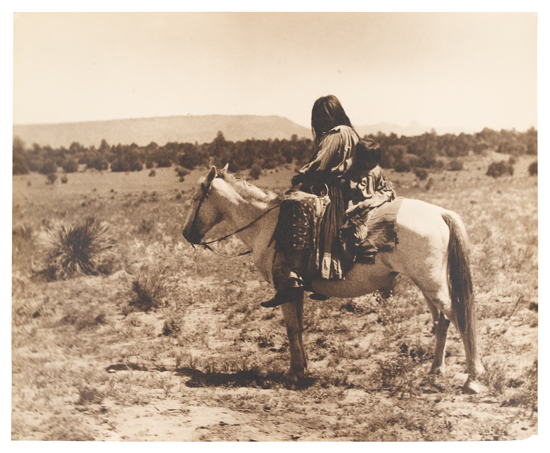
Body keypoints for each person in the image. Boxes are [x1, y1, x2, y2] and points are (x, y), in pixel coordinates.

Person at [261, 95, 360, 308]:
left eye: (326, 117)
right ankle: (317, 274)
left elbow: (319, 164)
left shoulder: (336, 134)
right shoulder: (351, 132)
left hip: (332, 192)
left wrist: (300, 177)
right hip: (343, 190)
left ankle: (292, 273)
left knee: (291, 202)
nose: (323, 122)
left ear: (335, 115)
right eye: (319, 118)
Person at [339, 139, 396, 255]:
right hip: (375, 192)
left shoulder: (369, 172)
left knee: (360, 212)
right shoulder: (366, 169)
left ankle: (356, 243)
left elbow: (365, 194)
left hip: (376, 194)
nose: (371, 163)